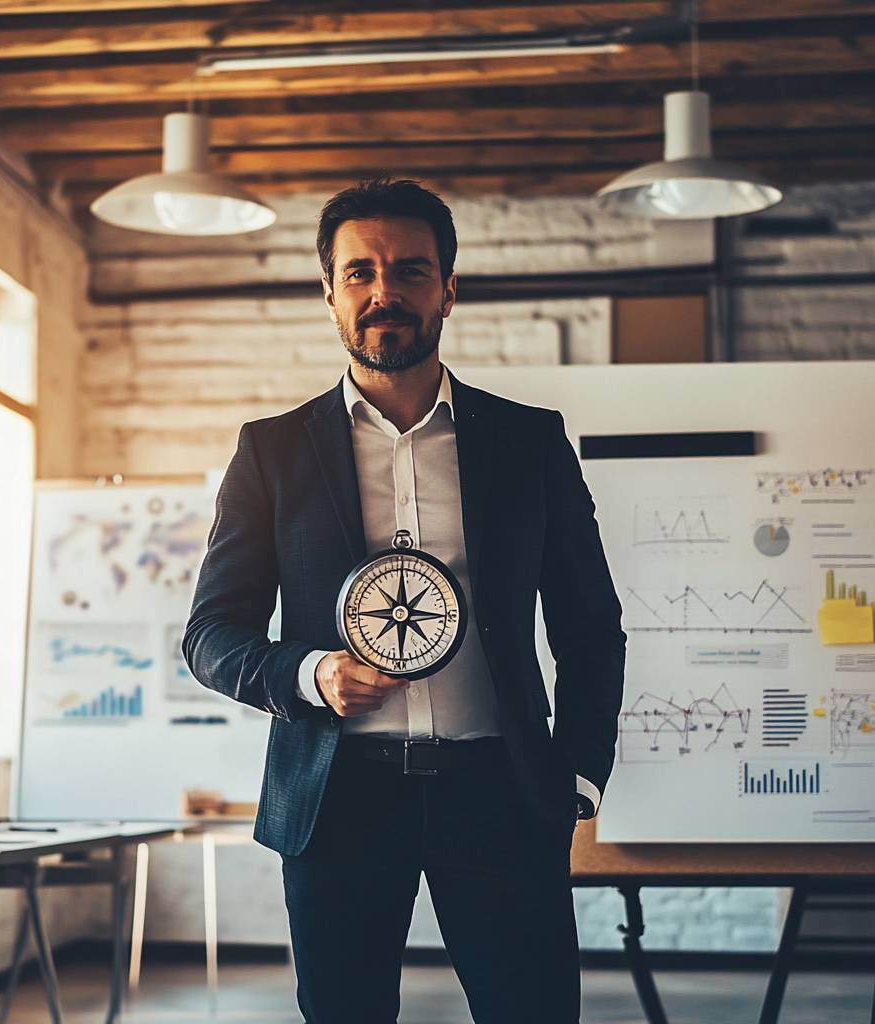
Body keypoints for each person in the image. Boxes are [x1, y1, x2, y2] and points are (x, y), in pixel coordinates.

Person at [184, 177, 626, 1024]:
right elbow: (211, 634)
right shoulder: (271, 451)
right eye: (360, 273)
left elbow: (591, 628)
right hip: (336, 798)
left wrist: (575, 777)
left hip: (501, 792)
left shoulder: (528, 443)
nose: (384, 292)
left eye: (411, 271)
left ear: (449, 290)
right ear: (330, 293)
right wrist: (312, 675)